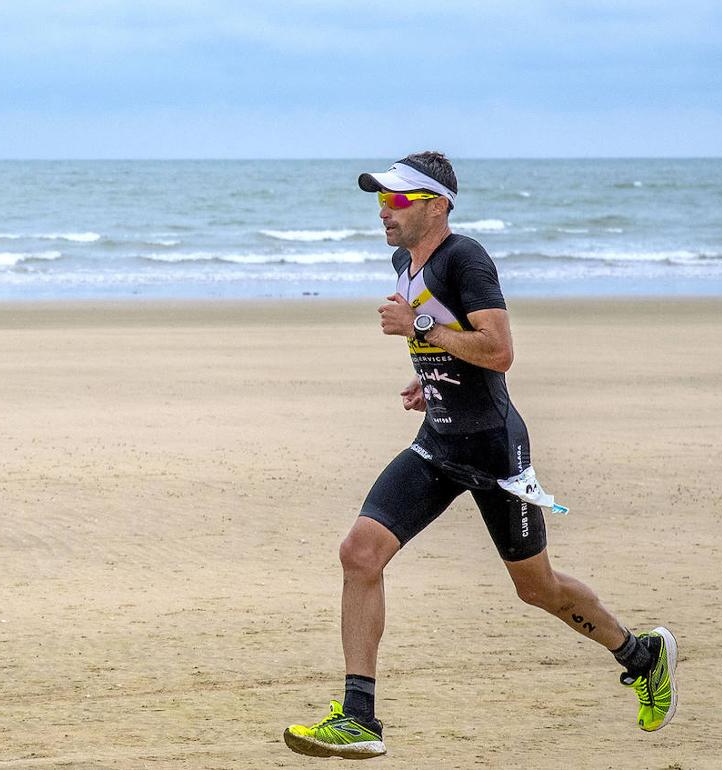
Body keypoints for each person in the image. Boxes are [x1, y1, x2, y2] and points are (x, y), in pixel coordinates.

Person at [282, 152, 677, 759]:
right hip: (438, 442)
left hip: (495, 450)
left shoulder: (466, 258)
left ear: (436, 206)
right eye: (380, 199)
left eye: (397, 200)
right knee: (359, 553)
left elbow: (498, 351)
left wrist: (417, 331)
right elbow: (447, 340)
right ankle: (359, 717)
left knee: (537, 589)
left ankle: (641, 655)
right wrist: (428, 376)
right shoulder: (403, 260)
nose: (383, 210)